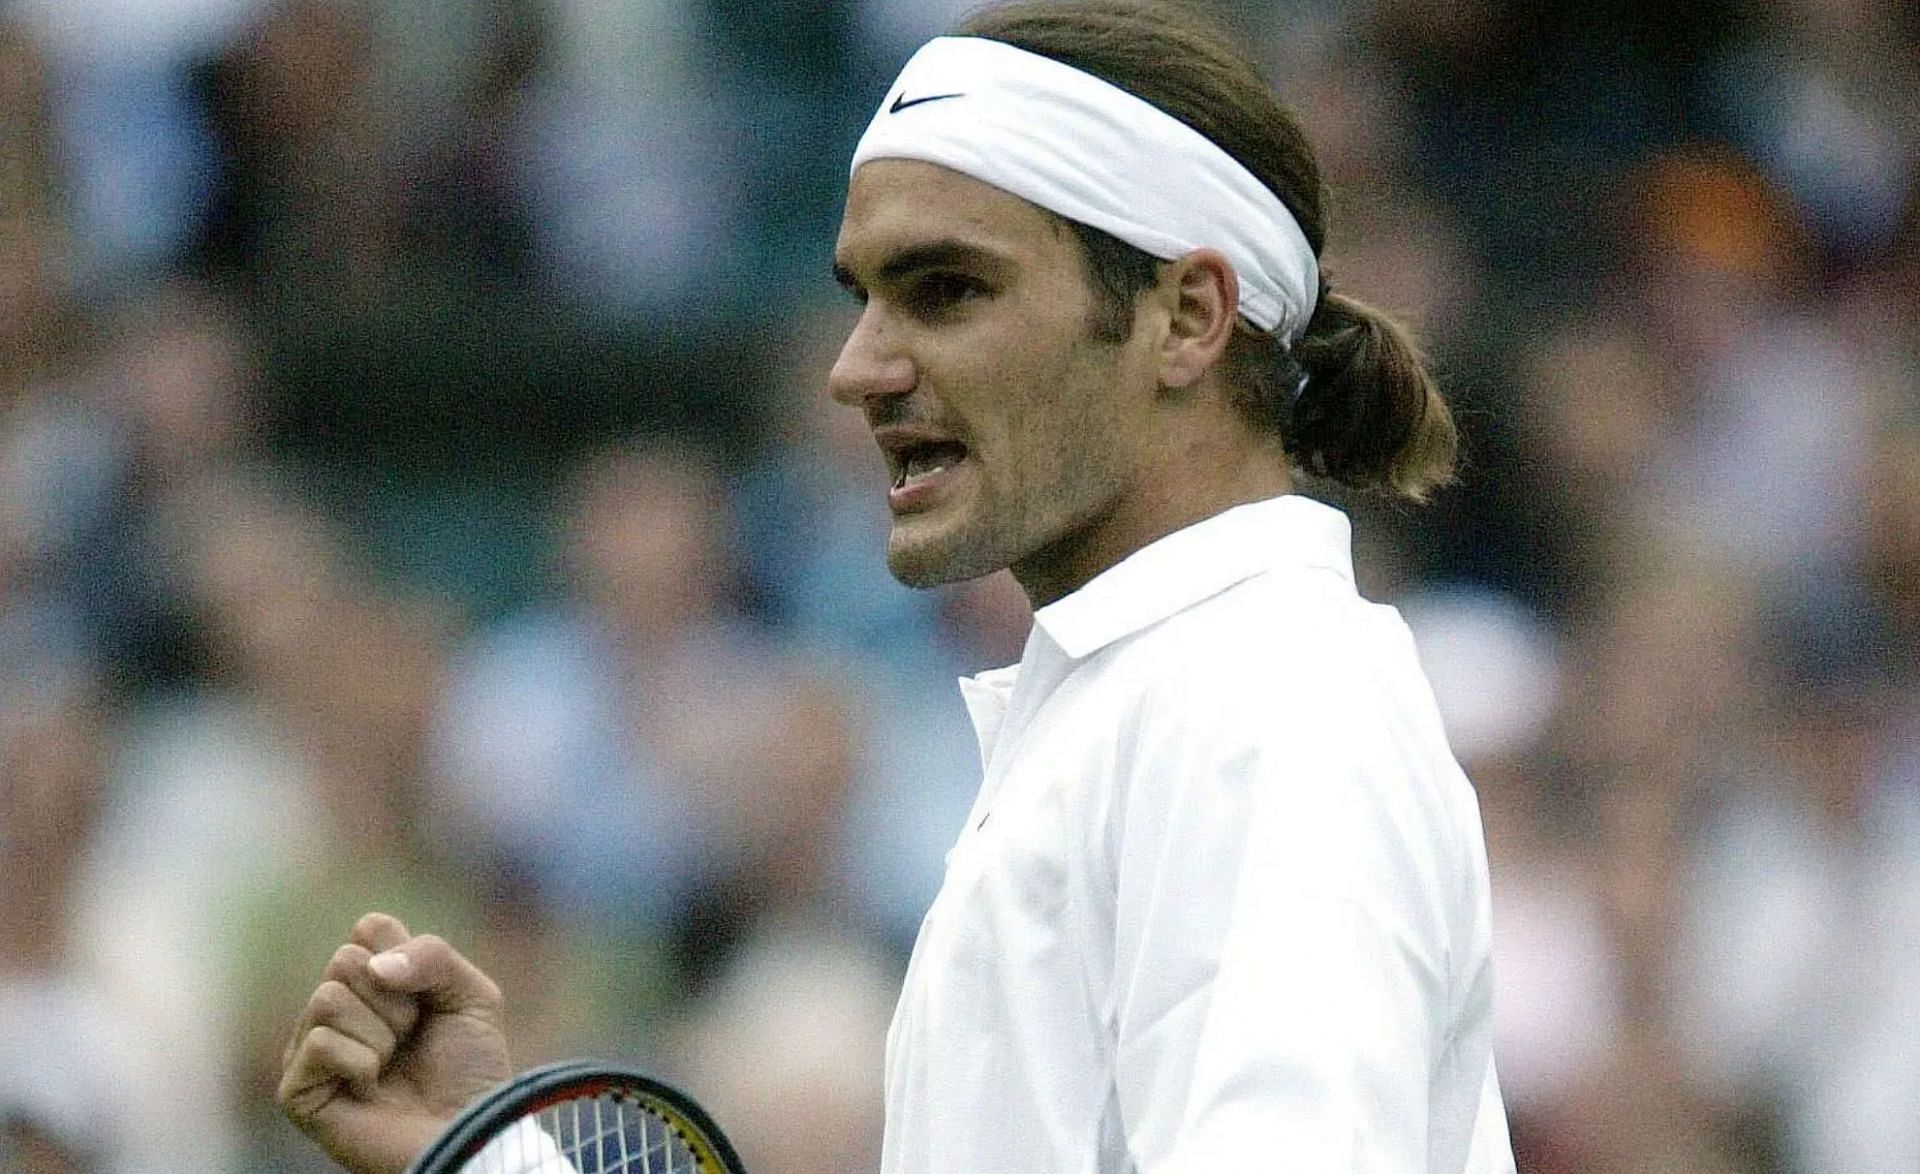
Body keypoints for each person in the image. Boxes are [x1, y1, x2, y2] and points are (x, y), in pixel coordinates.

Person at [277, 2, 1517, 1170]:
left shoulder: (1264, 712)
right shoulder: (1160, 705)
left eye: (946, 291)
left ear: (1186, 316)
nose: (858, 369)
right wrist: (496, 1150)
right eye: (863, 299)